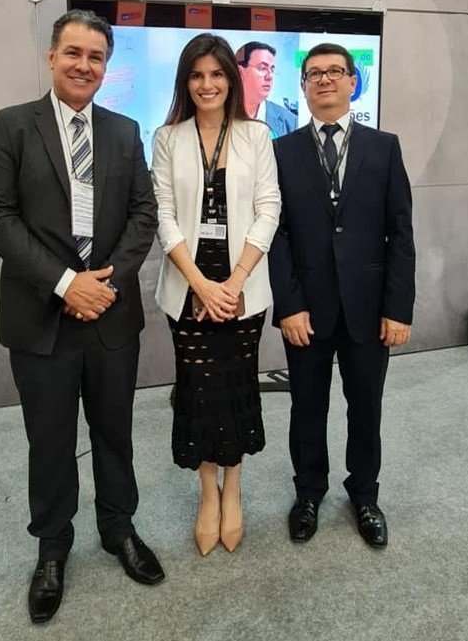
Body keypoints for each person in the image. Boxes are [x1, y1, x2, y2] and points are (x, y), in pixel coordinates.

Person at [0, 9, 164, 625]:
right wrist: (66, 284)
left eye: (96, 57)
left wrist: (104, 285)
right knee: (50, 439)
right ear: (52, 56)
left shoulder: (124, 131)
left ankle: (119, 529)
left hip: (110, 312)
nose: (85, 66)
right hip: (41, 317)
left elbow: (143, 214)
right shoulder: (12, 126)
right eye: (74, 53)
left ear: (107, 66)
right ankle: (53, 547)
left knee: (114, 432)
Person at [269, 43, 415, 549]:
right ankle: (308, 492)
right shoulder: (281, 151)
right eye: (314, 74)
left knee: (366, 407)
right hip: (306, 310)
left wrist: (398, 308)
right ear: (303, 86)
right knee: (306, 407)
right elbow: (276, 235)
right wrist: (288, 305)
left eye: (335, 71)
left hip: (369, 310)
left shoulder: (384, 147)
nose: (325, 80)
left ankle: (365, 495)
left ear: (354, 82)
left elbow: (401, 233)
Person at [151, 34, 281, 555]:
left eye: (217, 74)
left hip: (241, 287)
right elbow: (163, 216)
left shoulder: (256, 135)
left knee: (237, 385)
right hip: (189, 288)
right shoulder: (168, 137)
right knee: (198, 388)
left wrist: (233, 282)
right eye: (197, 75)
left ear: (231, 78)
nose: (207, 85)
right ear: (186, 82)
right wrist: (201, 284)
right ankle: (209, 490)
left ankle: (235, 487)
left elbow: (269, 208)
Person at [236, 41, 296, 137]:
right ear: (240, 72)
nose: (269, 76)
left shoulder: (290, 121)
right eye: (262, 68)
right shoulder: (218, 115)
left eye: (272, 69)